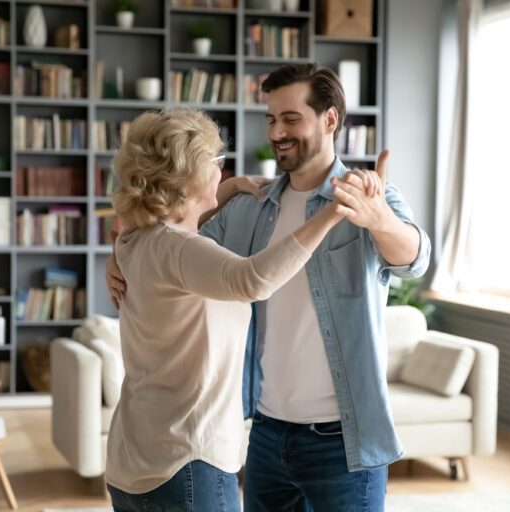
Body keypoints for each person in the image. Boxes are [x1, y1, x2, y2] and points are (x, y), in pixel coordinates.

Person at [106, 64, 432, 512]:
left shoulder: (367, 196)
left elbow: (416, 258)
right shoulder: (250, 207)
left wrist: (379, 219)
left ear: (330, 119)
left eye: (291, 119)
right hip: (265, 433)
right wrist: (119, 255)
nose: (278, 132)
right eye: (271, 119)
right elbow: (169, 224)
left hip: (342, 441)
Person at [103, 108, 349, 512]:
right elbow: (253, 280)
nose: (222, 169)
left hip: (132, 461)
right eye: (216, 162)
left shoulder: (134, 242)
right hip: (186, 461)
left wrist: (231, 187)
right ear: (190, 176)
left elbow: (166, 228)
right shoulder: (181, 249)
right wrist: (331, 213)